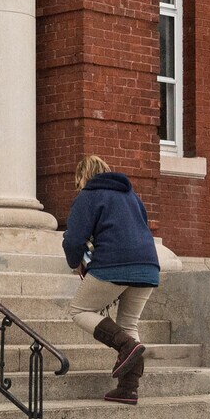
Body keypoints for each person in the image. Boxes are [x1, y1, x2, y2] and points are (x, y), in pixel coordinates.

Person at [61, 155, 159, 404]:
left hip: (114, 264)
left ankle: (125, 345)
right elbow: (141, 227)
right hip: (148, 266)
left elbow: (74, 239)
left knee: (79, 310)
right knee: (129, 324)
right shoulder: (131, 196)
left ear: (83, 176)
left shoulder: (89, 195)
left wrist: (76, 262)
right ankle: (128, 389)